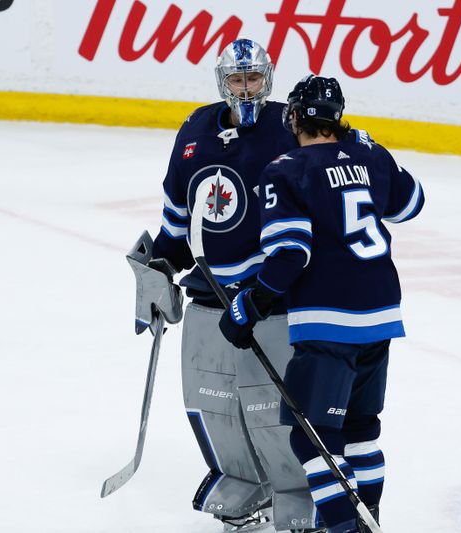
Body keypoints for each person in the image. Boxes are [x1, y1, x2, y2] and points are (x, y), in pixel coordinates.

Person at [218, 75, 425, 533]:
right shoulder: (369, 153)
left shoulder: (287, 168)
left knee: (313, 440)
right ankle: (369, 523)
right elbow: (412, 203)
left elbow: (292, 253)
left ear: (295, 117)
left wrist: (249, 306)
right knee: (362, 431)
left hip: (329, 323)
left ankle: (343, 528)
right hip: (381, 315)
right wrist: (369, 150)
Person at [147, 39, 328, 532]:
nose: (245, 89)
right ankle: (243, 483)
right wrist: (156, 266)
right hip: (209, 293)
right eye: (236, 80)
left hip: (269, 295)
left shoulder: (289, 127)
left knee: (272, 407)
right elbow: (178, 219)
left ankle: (294, 492)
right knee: (212, 400)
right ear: (222, 82)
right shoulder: (195, 130)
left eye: (252, 79)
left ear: (266, 79)